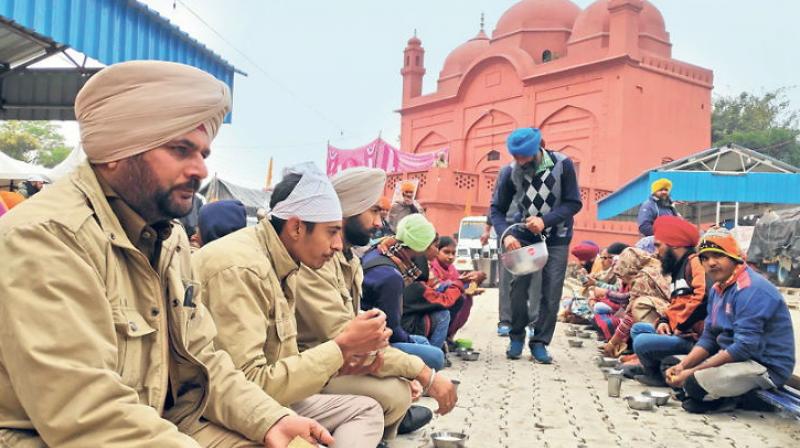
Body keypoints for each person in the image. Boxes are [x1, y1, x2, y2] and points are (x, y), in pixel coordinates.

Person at [0, 60, 332, 447]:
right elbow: (88, 413)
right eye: (181, 150)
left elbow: (203, 359)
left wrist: (270, 420)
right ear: (115, 150)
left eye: (203, 154)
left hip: (161, 423)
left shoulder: (167, 238)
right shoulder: (47, 237)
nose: (200, 169)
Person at [193, 163, 388, 447]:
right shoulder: (242, 268)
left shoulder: (285, 261)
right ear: (297, 227)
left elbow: (281, 360)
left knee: (368, 411)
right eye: (331, 232)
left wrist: (342, 363)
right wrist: (341, 348)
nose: (337, 245)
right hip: (219, 411)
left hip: (270, 398)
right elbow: (249, 385)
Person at [293, 167, 456, 438]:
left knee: (409, 369)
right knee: (417, 370)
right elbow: (348, 336)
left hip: (349, 353)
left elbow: (362, 326)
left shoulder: (349, 259)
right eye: (373, 212)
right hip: (317, 365)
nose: (380, 223)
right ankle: (382, 417)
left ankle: (384, 416)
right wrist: (421, 373)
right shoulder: (319, 261)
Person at [665, 227, 796, 414]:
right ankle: (721, 393)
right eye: (705, 257)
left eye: (717, 255)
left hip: (764, 366)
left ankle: (737, 398)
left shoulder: (751, 289)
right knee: (670, 366)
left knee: (693, 384)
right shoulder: (719, 288)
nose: (710, 263)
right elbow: (709, 337)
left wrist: (691, 373)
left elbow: (743, 347)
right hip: (735, 358)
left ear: (734, 257)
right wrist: (683, 366)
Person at [490, 127, 582, 363]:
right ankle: (516, 336)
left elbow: (573, 203)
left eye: (525, 157)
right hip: (522, 237)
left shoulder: (563, 165)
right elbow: (497, 210)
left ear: (538, 148)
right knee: (518, 288)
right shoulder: (509, 172)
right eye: (516, 157)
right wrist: (505, 235)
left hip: (557, 237)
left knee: (551, 293)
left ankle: (540, 342)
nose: (520, 162)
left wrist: (545, 220)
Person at [361, 214, 446, 370]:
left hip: (375, 330)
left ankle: (421, 377)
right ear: (421, 248)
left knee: (422, 342)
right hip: (372, 341)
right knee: (437, 357)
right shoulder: (391, 276)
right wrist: (411, 341)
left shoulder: (379, 249)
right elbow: (392, 330)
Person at [630, 216, 708, 386]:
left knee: (641, 342)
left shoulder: (694, 263)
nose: (656, 252)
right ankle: (655, 370)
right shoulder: (677, 268)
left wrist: (679, 326)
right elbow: (674, 304)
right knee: (637, 329)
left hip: (693, 338)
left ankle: (658, 376)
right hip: (676, 330)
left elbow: (702, 298)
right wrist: (664, 321)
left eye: (658, 245)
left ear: (675, 244)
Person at [598, 247, 670, 356]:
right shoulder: (653, 269)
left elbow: (631, 316)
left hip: (663, 323)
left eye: (623, 276)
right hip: (665, 319)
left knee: (635, 327)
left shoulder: (643, 278)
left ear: (629, 268)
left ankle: (641, 355)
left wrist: (612, 343)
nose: (623, 280)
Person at [429, 236, 486, 341]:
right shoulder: (432, 267)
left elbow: (458, 282)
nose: (450, 257)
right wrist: (462, 287)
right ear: (437, 251)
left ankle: (449, 336)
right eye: (446, 252)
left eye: (453, 253)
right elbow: (439, 287)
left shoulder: (451, 268)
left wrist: (473, 284)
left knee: (466, 299)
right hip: (437, 304)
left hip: (451, 301)